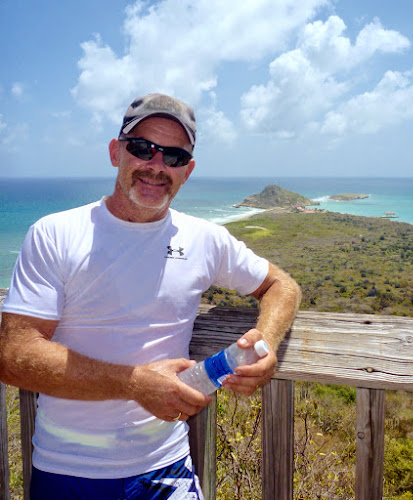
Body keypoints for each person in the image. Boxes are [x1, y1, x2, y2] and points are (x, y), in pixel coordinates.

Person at [0, 93, 301, 499]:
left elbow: (282, 285)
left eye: (174, 156)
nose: (157, 165)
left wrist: (265, 346)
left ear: (187, 171)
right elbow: (14, 355)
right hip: (67, 469)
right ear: (116, 152)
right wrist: (136, 384)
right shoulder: (55, 234)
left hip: (167, 467)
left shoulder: (205, 239)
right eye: (143, 148)